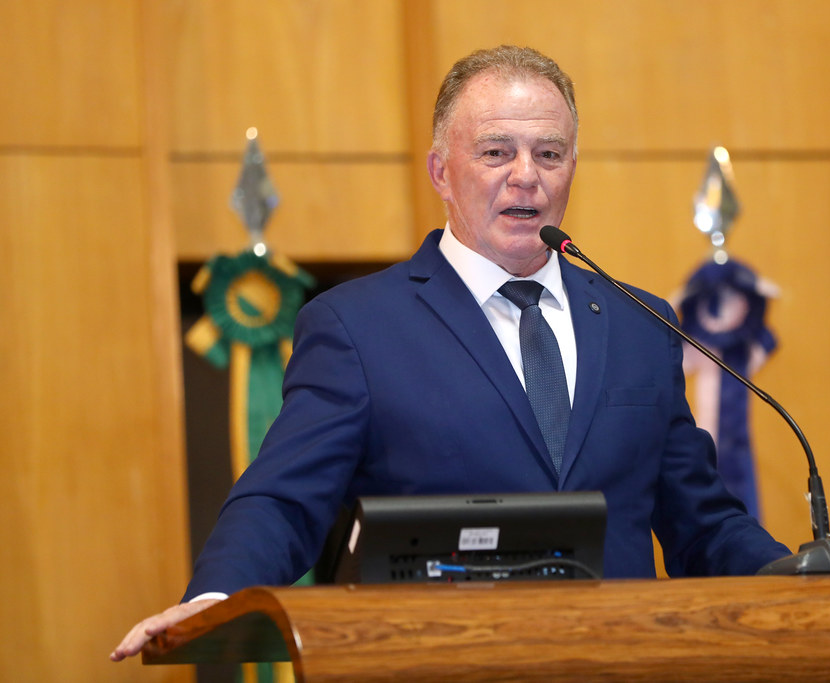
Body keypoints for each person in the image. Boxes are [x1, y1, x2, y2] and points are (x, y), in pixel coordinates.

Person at [112, 45, 789, 662]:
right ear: (441, 170)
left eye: (549, 154)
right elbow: (284, 500)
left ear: (571, 170)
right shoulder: (356, 327)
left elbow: (701, 519)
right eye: (497, 152)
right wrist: (214, 598)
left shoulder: (641, 322)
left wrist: (800, 575)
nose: (527, 176)